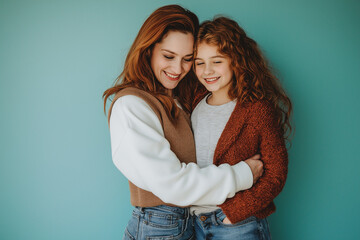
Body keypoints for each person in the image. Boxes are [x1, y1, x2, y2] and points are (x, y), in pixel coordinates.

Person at [103, 5, 263, 240]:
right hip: (159, 227)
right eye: (168, 56)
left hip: (191, 222)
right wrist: (243, 174)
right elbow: (174, 184)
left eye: (188, 59)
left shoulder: (176, 98)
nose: (178, 69)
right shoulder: (131, 106)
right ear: (148, 50)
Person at [191, 16, 292, 240]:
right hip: (194, 222)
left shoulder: (256, 109)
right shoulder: (194, 103)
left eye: (217, 61)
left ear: (236, 60)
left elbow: (276, 173)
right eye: (199, 62)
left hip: (236, 225)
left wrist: (234, 214)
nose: (207, 70)